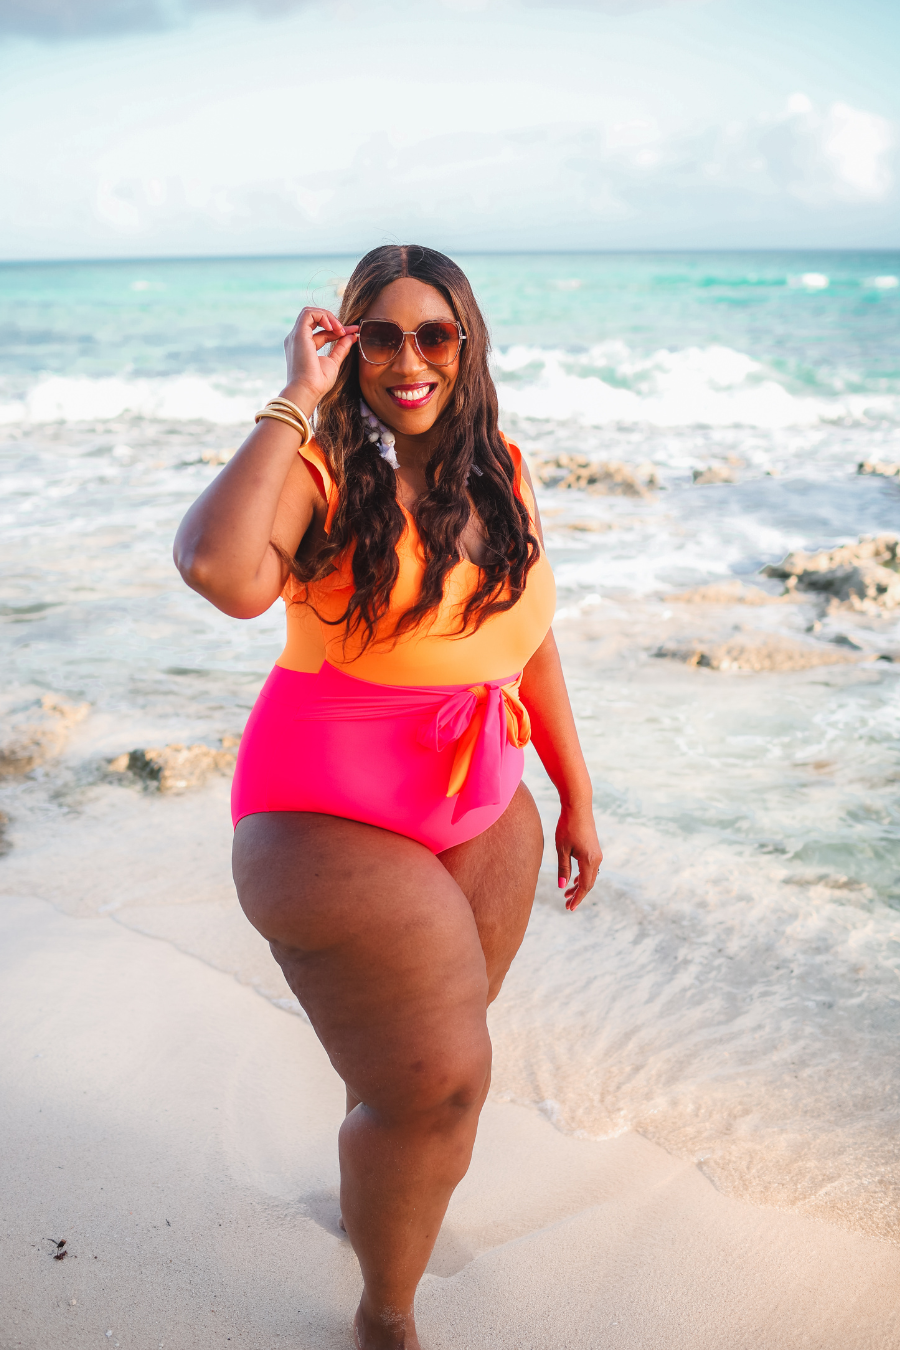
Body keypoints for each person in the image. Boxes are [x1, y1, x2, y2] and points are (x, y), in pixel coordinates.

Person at [174, 244, 602, 1350]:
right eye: (380, 335)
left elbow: (532, 643)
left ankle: (376, 1195)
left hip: (481, 805)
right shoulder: (318, 474)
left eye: (434, 334)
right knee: (441, 1090)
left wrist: (576, 796)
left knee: (424, 1077)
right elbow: (217, 572)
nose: (408, 359)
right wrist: (292, 402)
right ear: (346, 344)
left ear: (467, 346)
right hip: (324, 822)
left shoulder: (503, 467)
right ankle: (386, 1312)